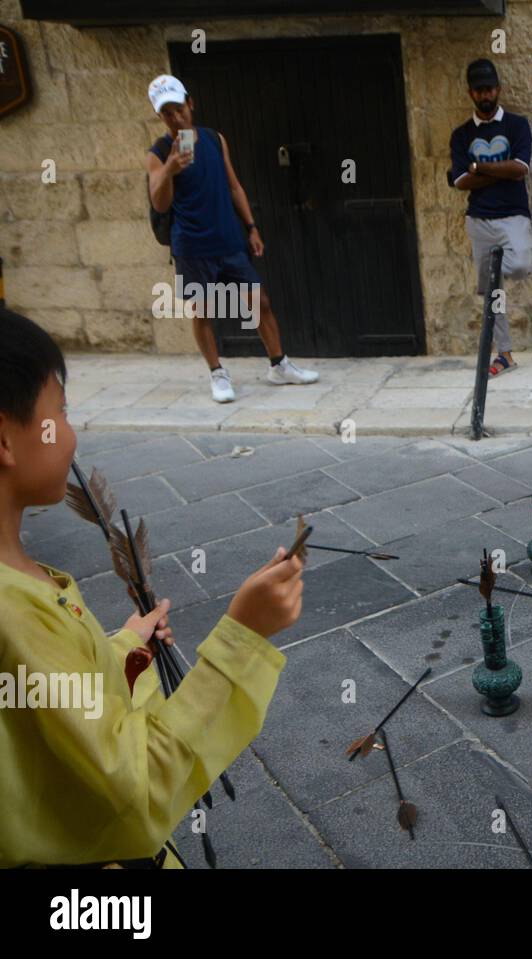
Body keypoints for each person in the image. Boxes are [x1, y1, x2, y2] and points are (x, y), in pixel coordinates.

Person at [0, 307, 303, 868]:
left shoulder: (19, 590)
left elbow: (49, 716)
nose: (69, 431)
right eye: (60, 412)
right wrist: (242, 638)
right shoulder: (13, 615)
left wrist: (123, 648)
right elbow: (133, 789)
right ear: (6, 439)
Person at [145, 74, 319, 405]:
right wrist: (169, 170)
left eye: (179, 108)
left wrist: (251, 226)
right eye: (167, 112)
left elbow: (234, 185)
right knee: (203, 311)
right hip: (193, 247)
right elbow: (160, 203)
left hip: (228, 239)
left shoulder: (214, 139)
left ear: (190, 103)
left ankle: (278, 365)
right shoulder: (159, 153)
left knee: (259, 302)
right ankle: (217, 373)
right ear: (160, 116)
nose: (176, 117)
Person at [448, 58, 532, 378]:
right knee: (491, 292)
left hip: (513, 216)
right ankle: (505, 353)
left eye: (490, 89)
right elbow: (459, 182)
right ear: (471, 93)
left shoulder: (516, 125)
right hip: (479, 220)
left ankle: (505, 351)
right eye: (479, 90)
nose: (485, 95)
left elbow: (521, 169)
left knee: (522, 264)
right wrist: (501, 170)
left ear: (498, 89)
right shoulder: (461, 135)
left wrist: (478, 167)